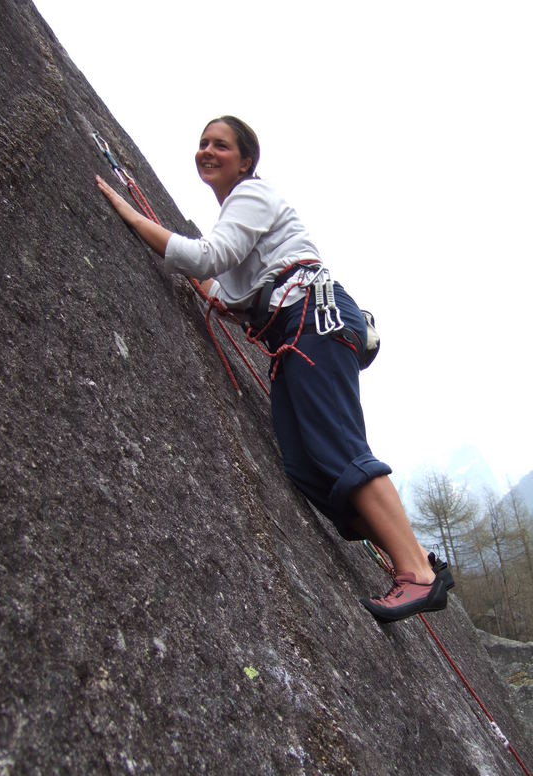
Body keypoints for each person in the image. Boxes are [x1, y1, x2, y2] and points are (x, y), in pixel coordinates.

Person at [95, 115, 452, 623]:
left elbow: (203, 258)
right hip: (295, 333)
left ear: (246, 161)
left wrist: (133, 218)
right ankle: (410, 555)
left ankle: (416, 572)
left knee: (337, 446)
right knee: (306, 467)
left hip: (315, 318)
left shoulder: (251, 196)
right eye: (202, 144)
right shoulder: (240, 223)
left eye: (220, 145)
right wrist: (211, 289)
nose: (207, 151)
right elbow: (225, 290)